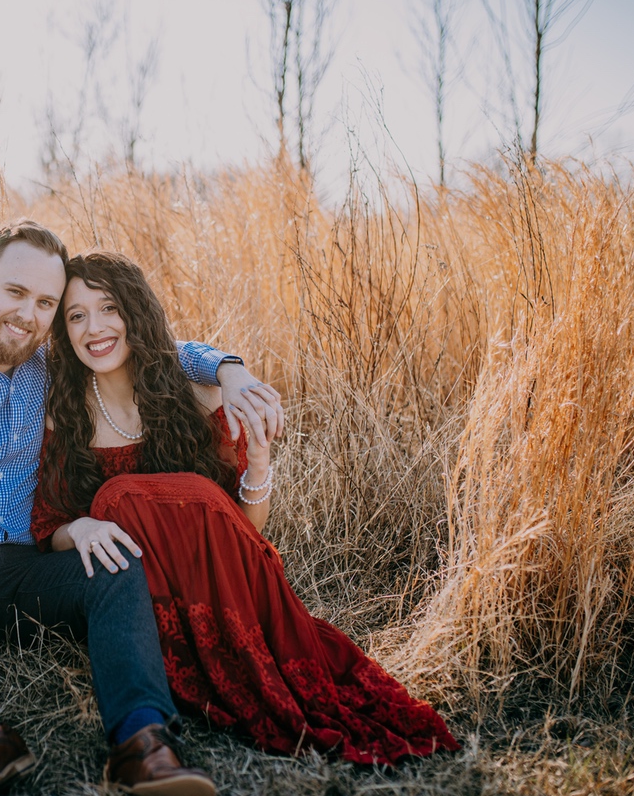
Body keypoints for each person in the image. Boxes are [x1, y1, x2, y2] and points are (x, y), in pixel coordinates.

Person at [0, 219, 284, 796]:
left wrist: (231, 368)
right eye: (16, 293)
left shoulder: (54, 371)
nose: (29, 315)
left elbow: (153, 350)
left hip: (29, 577)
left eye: (46, 303)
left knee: (118, 562)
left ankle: (143, 740)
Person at [32, 250, 460, 763]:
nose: (94, 328)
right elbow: (50, 527)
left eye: (108, 308)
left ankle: (238, 654)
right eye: (77, 315)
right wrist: (80, 528)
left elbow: (244, 533)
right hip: (140, 604)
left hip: (231, 586)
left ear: (135, 314)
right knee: (114, 501)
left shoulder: (199, 398)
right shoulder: (63, 416)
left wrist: (258, 466)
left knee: (143, 497)